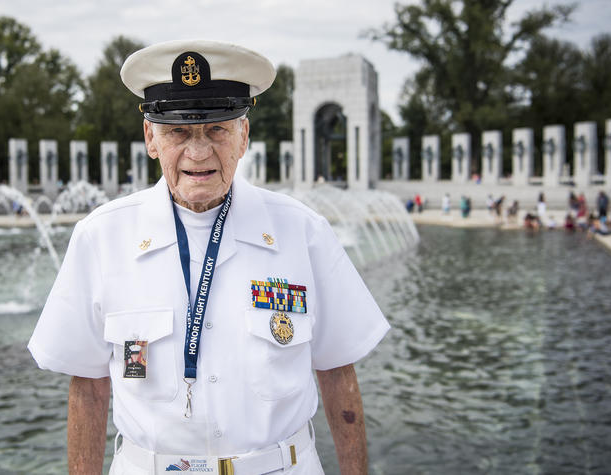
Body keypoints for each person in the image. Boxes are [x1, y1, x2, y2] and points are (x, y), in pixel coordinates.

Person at [28, 40, 390, 475]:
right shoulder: (101, 239)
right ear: (151, 138)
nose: (198, 153)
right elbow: (87, 388)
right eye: (178, 131)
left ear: (244, 136)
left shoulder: (303, 232)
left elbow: (337, 373)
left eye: (218, 129)